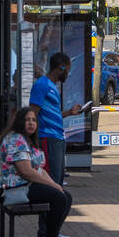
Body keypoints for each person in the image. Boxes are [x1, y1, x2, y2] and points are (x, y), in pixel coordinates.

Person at [0, 106, 72, 237]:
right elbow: (26, 171)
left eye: (34, 120)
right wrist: (53, 186)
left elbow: (40, 169)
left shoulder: (27, 140)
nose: (31, 123)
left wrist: (56, 186)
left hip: (24, 186)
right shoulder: (16, 140)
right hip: (14, 189)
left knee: (65, 196)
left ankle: (49, 235)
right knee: (58, 198)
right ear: (19, 122)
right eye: (27, 120)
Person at [28, 52, 83, 195]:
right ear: (61, 68)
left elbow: (52, 114)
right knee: (51, 181)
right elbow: (33, 112)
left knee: (57, 179)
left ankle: (52, 214)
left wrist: (70, 112)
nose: (68, 74)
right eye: (68, 70)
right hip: (48, 138)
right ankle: (48, 215)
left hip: (57, 138)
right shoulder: (42, 85)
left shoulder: (51, 86)